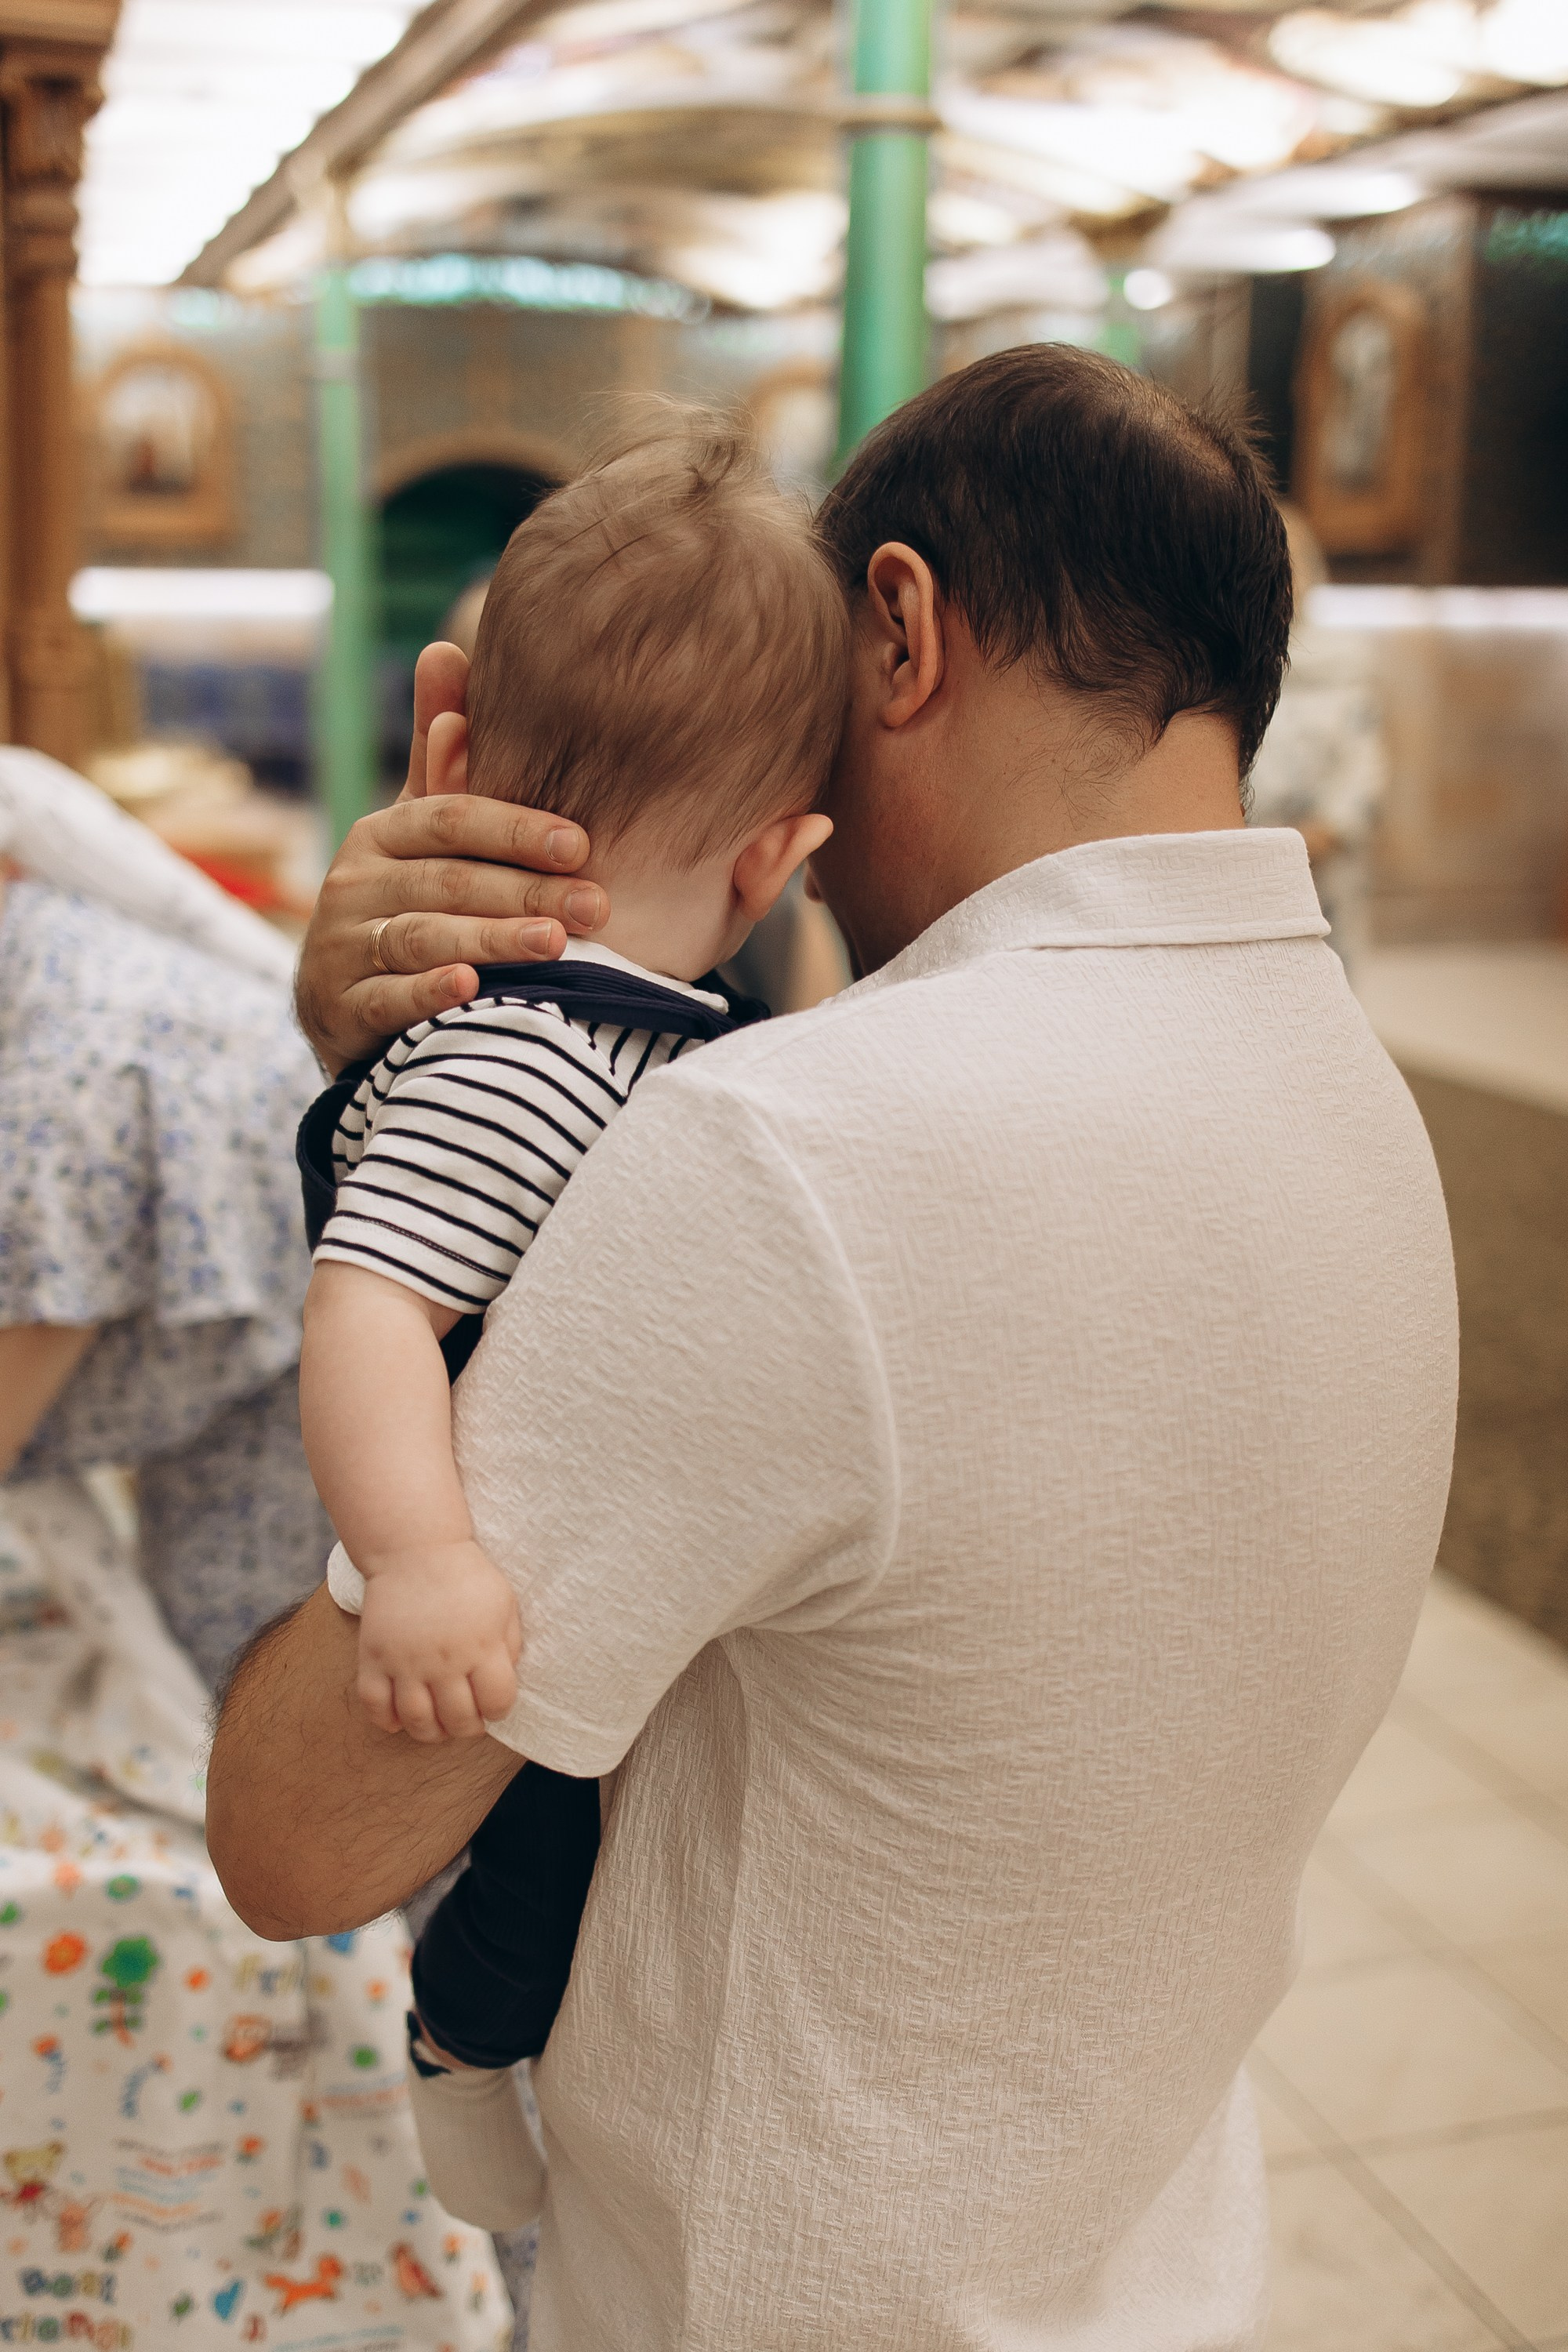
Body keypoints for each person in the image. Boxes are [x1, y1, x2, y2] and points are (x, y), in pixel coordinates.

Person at [209, 347, 1458, 2352]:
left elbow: (297, 1834)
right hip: (1147, 2269)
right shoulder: (1357, 1107)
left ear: (897, 628)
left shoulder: (787, 1161)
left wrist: (400, 1098)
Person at [298, 415, 843, 2221]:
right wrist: (420, 1556)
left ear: (452, 754)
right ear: (775, 860)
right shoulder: (526, 1053)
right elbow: (368, 1300)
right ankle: (456, 2045)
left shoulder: (611, 1031)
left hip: (555, 1526)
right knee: (533, 1850)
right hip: (461, 1539)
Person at [0, 749, 510, 2347]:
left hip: (316, 1527)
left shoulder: (83, 1065)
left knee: (345, 1897)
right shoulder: (64, 981)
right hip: (297, 1504)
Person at [1247, 503, 1387, 980]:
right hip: (1244, 863)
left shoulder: (1345, 664)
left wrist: (1318, 835)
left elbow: (1361, 775)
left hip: (1320, 871)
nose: (1284, 579)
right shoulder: (1223, 669)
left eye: (1294, 563)